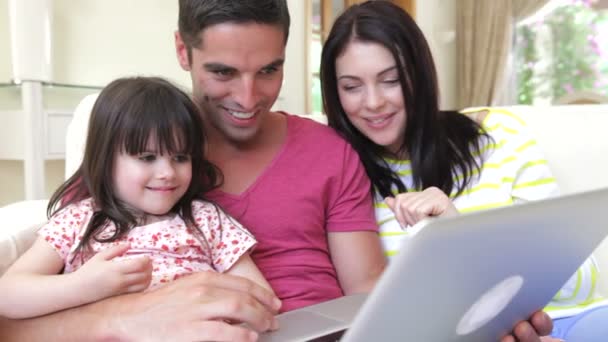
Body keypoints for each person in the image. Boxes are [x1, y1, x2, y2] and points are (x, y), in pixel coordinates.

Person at [0, 1, 551, 341]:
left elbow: (371, 293)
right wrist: (124, 318)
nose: (247, 97)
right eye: (222, 71)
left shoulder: (329, 150)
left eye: (269, 70)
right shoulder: (132, 150)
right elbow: (13, 317)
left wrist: (472, 315)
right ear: (182, 52)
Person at [320, 1, 602, 341]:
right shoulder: (341, 177)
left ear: (419, 75)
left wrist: (459, 231)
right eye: (352, 87)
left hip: (574, 321)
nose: (374, 102)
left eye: (390, 80)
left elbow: (582, 280)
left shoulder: (500, 134)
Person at [0, 76, 272, 319]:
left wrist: (216, 302)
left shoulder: (206, 219)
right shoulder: (78, 219)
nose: (167, 172)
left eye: (180, 157)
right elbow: (8, 295)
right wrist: (81, 287)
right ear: (105, 160)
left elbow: (263, 298)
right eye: (147, 157)